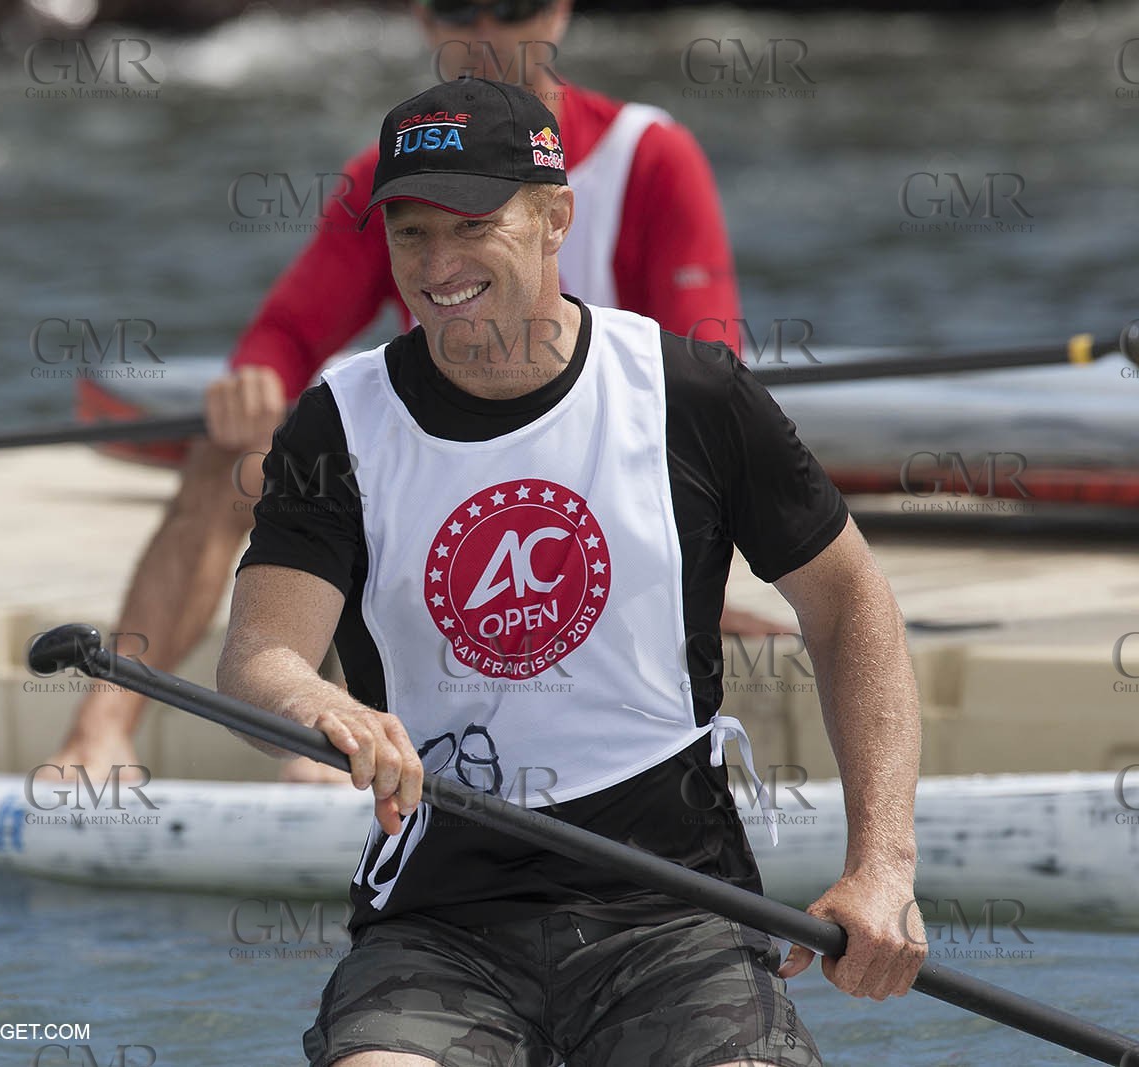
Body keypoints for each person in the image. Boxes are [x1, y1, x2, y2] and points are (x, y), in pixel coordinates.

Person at [216, 78, 927, 1067]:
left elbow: (849, 602)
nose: (435, 265)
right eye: (409, 232)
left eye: (470, 224)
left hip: (676, 915)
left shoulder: (691, 394)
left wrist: (880, 867)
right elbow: (257, 656)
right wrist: (318, 703)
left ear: (555, 217)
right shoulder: (339, 423)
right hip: (436, 922)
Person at [48, 0, 749, 782]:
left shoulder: (650, 156)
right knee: (231, 452)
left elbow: (708, 379)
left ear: (559, 11)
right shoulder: (390, 179)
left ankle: (355, 725)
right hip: (444, 470)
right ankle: (103, 735)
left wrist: (692, 571)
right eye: (457, 9)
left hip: (598, 476)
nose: (485, 35)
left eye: (512, 8)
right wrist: (256, 379)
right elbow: (289, 331)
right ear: (422, 20)